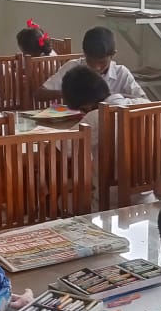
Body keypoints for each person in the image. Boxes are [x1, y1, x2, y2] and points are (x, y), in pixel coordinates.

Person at [61, 65, 144, 207]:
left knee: (59, 200)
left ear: (86, 106)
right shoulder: (145, 105)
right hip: (151, 196)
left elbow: (62, 150)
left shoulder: (96, 117)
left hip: (110, 203)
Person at [34, 26, 146, 102]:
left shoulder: (121, 73)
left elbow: (145, 101)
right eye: (91, 61)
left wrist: (113, 96)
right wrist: (71, 93)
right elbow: (39, 94)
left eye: (102, 62)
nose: (97, 67)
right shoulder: (73, 68)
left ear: (113, 55)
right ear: (84, 54)